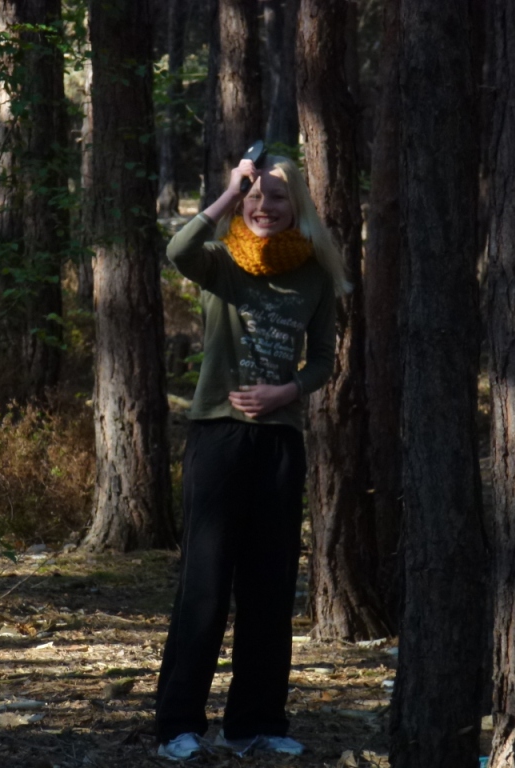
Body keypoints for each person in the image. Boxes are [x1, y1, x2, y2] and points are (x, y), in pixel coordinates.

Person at [154, 155, 346, 761]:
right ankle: (178, 725)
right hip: (218, 436)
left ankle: (254, 722)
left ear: (298, 207)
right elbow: (178, 249)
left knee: (269, 585)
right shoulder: (222, 261)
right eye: (254, 197)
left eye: (277, 198)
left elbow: (323, 359)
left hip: (280, 442)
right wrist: (228, 191)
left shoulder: (315, 273)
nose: (264, 207)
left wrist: (286, 391)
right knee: (206, 586)